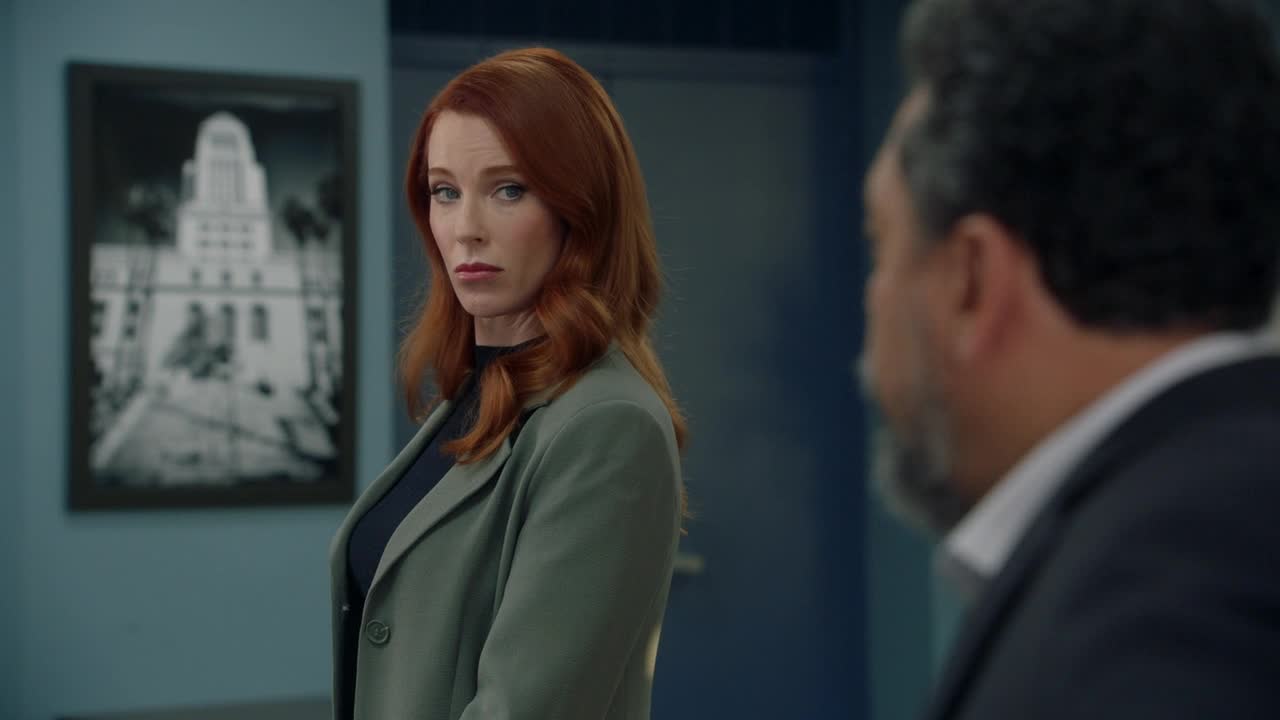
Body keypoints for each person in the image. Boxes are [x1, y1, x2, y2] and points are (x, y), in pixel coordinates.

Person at [859, 0, 1280, 717]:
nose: (875, 300)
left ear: (971, 279)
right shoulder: (1218, 522)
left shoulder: (1156, 612)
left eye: (880, 244)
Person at [328, 47, 686, 720]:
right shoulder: (478, 392)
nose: (465, 229)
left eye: (508, 189)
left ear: (580, 209)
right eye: (445, 192)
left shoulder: (607, 423)